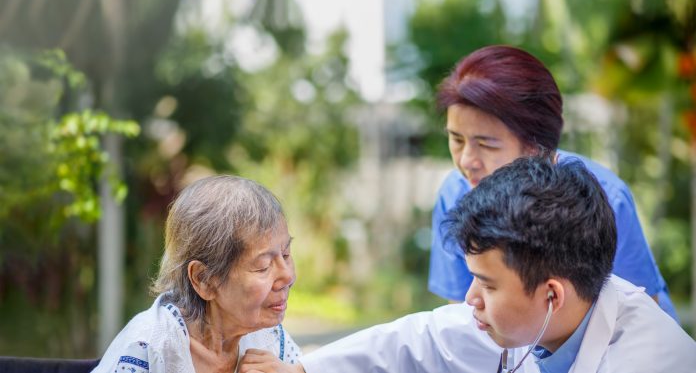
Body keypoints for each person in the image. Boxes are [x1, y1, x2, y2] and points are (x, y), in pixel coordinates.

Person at [242, 156, 695, 373]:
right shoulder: (542, 317)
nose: (469, 298)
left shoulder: (653, 362)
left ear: (552, 294)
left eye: (486, 284)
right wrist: (303, 371)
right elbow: (424, 339)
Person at [428, 45, 679, 321]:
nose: (466, 160)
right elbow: (461, 316)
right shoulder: (456, 193)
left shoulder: (605, 198)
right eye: (457, 139)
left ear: (536, 146)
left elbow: (642, 317)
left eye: (486, 144)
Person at [92, 175, 302, 373]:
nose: (287, 277)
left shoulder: (268, 337)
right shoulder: (148, 350)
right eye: (263, 266)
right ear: (204, 279)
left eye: (285, 255)